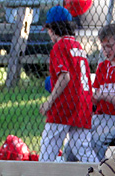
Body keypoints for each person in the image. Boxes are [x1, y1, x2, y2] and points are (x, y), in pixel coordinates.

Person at [65, 23, 115, 162]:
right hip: (101, 116)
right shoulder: (102, 67)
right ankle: (71, 173)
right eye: (103, 47)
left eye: (110, 46)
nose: (107, 51)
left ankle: (97, 174)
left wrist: (105, 96)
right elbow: (95, 100)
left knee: (96, 139)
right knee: (75, 139)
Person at [38, 6, 97, 163]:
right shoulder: (78, 46)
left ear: (52, 29)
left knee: (48, 147)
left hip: (64, 104)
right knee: (82, 148)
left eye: (48, 29)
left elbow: (65, 76)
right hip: (83, 103)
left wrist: (49, 101)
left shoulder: (59, 47)